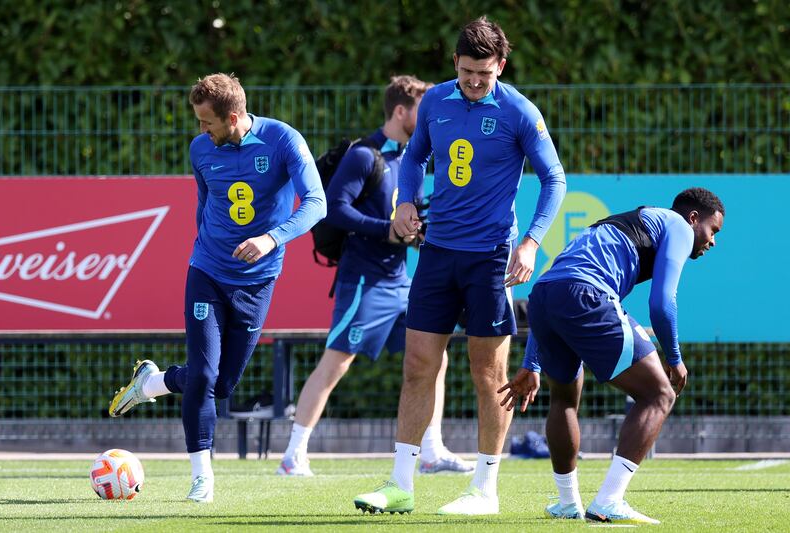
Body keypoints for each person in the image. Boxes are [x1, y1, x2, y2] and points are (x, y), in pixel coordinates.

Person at [354, 16, 566, 516]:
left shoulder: (519, 111)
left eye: (484, 74)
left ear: (501, 67)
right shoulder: (435, 102)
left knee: (488, 372)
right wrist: (406, 200)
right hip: (436, 253)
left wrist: (532, 242)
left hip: (491, 257)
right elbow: (414, 158)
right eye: (467, 71)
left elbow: (554, 180)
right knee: (417, 366)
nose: (474, 82)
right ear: (455, 63)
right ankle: (400, 484)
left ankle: (484, 490)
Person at [107, 73, 326, 503]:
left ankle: (154, 382)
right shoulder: (200, 149)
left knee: (222, 385)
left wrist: (270, 239)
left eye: (207, 123)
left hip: (258, 280)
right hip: (206, 272)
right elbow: (205, 206)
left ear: (233, 116)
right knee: (204, 375)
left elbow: (316, 203)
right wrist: (206, 255)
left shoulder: (282, 140)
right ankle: (201, 477)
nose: (200, 131)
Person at [277, 75, 474, 477]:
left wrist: (418, 232)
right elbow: (333, 209)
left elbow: (409, 217)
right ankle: (293, 454)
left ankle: (431, 452)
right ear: (400, 111)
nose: (432, 117)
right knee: (338, 361)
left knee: (436, 355)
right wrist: (385, 229)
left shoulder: (413, 158)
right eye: (423, 110)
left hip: (402, 282)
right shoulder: (365, 156)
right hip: (364, 281)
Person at [499, 187, 725, 524]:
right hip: (585, 294)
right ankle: (609, 500)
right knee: (659, 393)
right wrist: (674, 359)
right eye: (712, 230)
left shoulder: (624, 223)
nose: (712, 241)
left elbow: (555, 282)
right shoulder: (677, 224)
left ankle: (567, 503)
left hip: (544, 298)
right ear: (694, 218)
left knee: (564, 400)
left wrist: (530, 363)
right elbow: (662, 304)